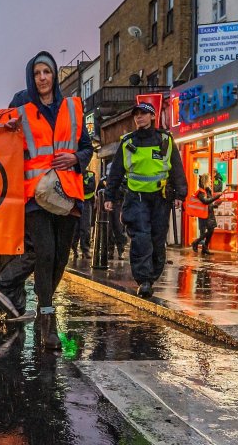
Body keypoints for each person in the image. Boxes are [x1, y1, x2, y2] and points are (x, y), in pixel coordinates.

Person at [0, 51, 94, 351]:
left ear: (55, 75)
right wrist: (5, 130)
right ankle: (48, 324)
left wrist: (76, 157)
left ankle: (13, 288)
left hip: (68, 195)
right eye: (37, 73)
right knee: (44, 253)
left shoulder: (72, 107)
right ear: (31, 78)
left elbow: (87, 147)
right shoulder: (20, 108)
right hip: (34, 196)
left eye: (47, 72)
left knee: (60, 258)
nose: (42, 78)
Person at [104, 102, 187, 298]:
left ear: (152, 116)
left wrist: (180, 195)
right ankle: (144, 281)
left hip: (160, 197)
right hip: (136, 198)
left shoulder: (165, 140)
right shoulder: (128, 142)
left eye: (143, 114)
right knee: (141, 238)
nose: (139, 117)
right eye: (136, 115)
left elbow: (177, 168)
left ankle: (152, 276)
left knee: (157, 238)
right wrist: (110, 196)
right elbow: (116, 171)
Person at [189, 174, 221, 255]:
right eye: (210, 179)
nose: (211, 181)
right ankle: (196, 242)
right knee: (208, 231)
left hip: (209, 214)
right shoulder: (201, 192)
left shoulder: (208, 190)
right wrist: (216, 197)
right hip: (204, 215)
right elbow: (205, 201)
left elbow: (208, 203)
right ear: (206, 181)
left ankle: (205, 248)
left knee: (211, 231)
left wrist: (214, 205)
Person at [72, 169, 97, 259]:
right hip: (74, 201)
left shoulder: (90, 174)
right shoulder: (73, 172)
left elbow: (91, 187)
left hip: (86, 202)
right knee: (75, 228)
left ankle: (85, 250)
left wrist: (79, 186)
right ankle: (74, 248)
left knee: (85, 227)